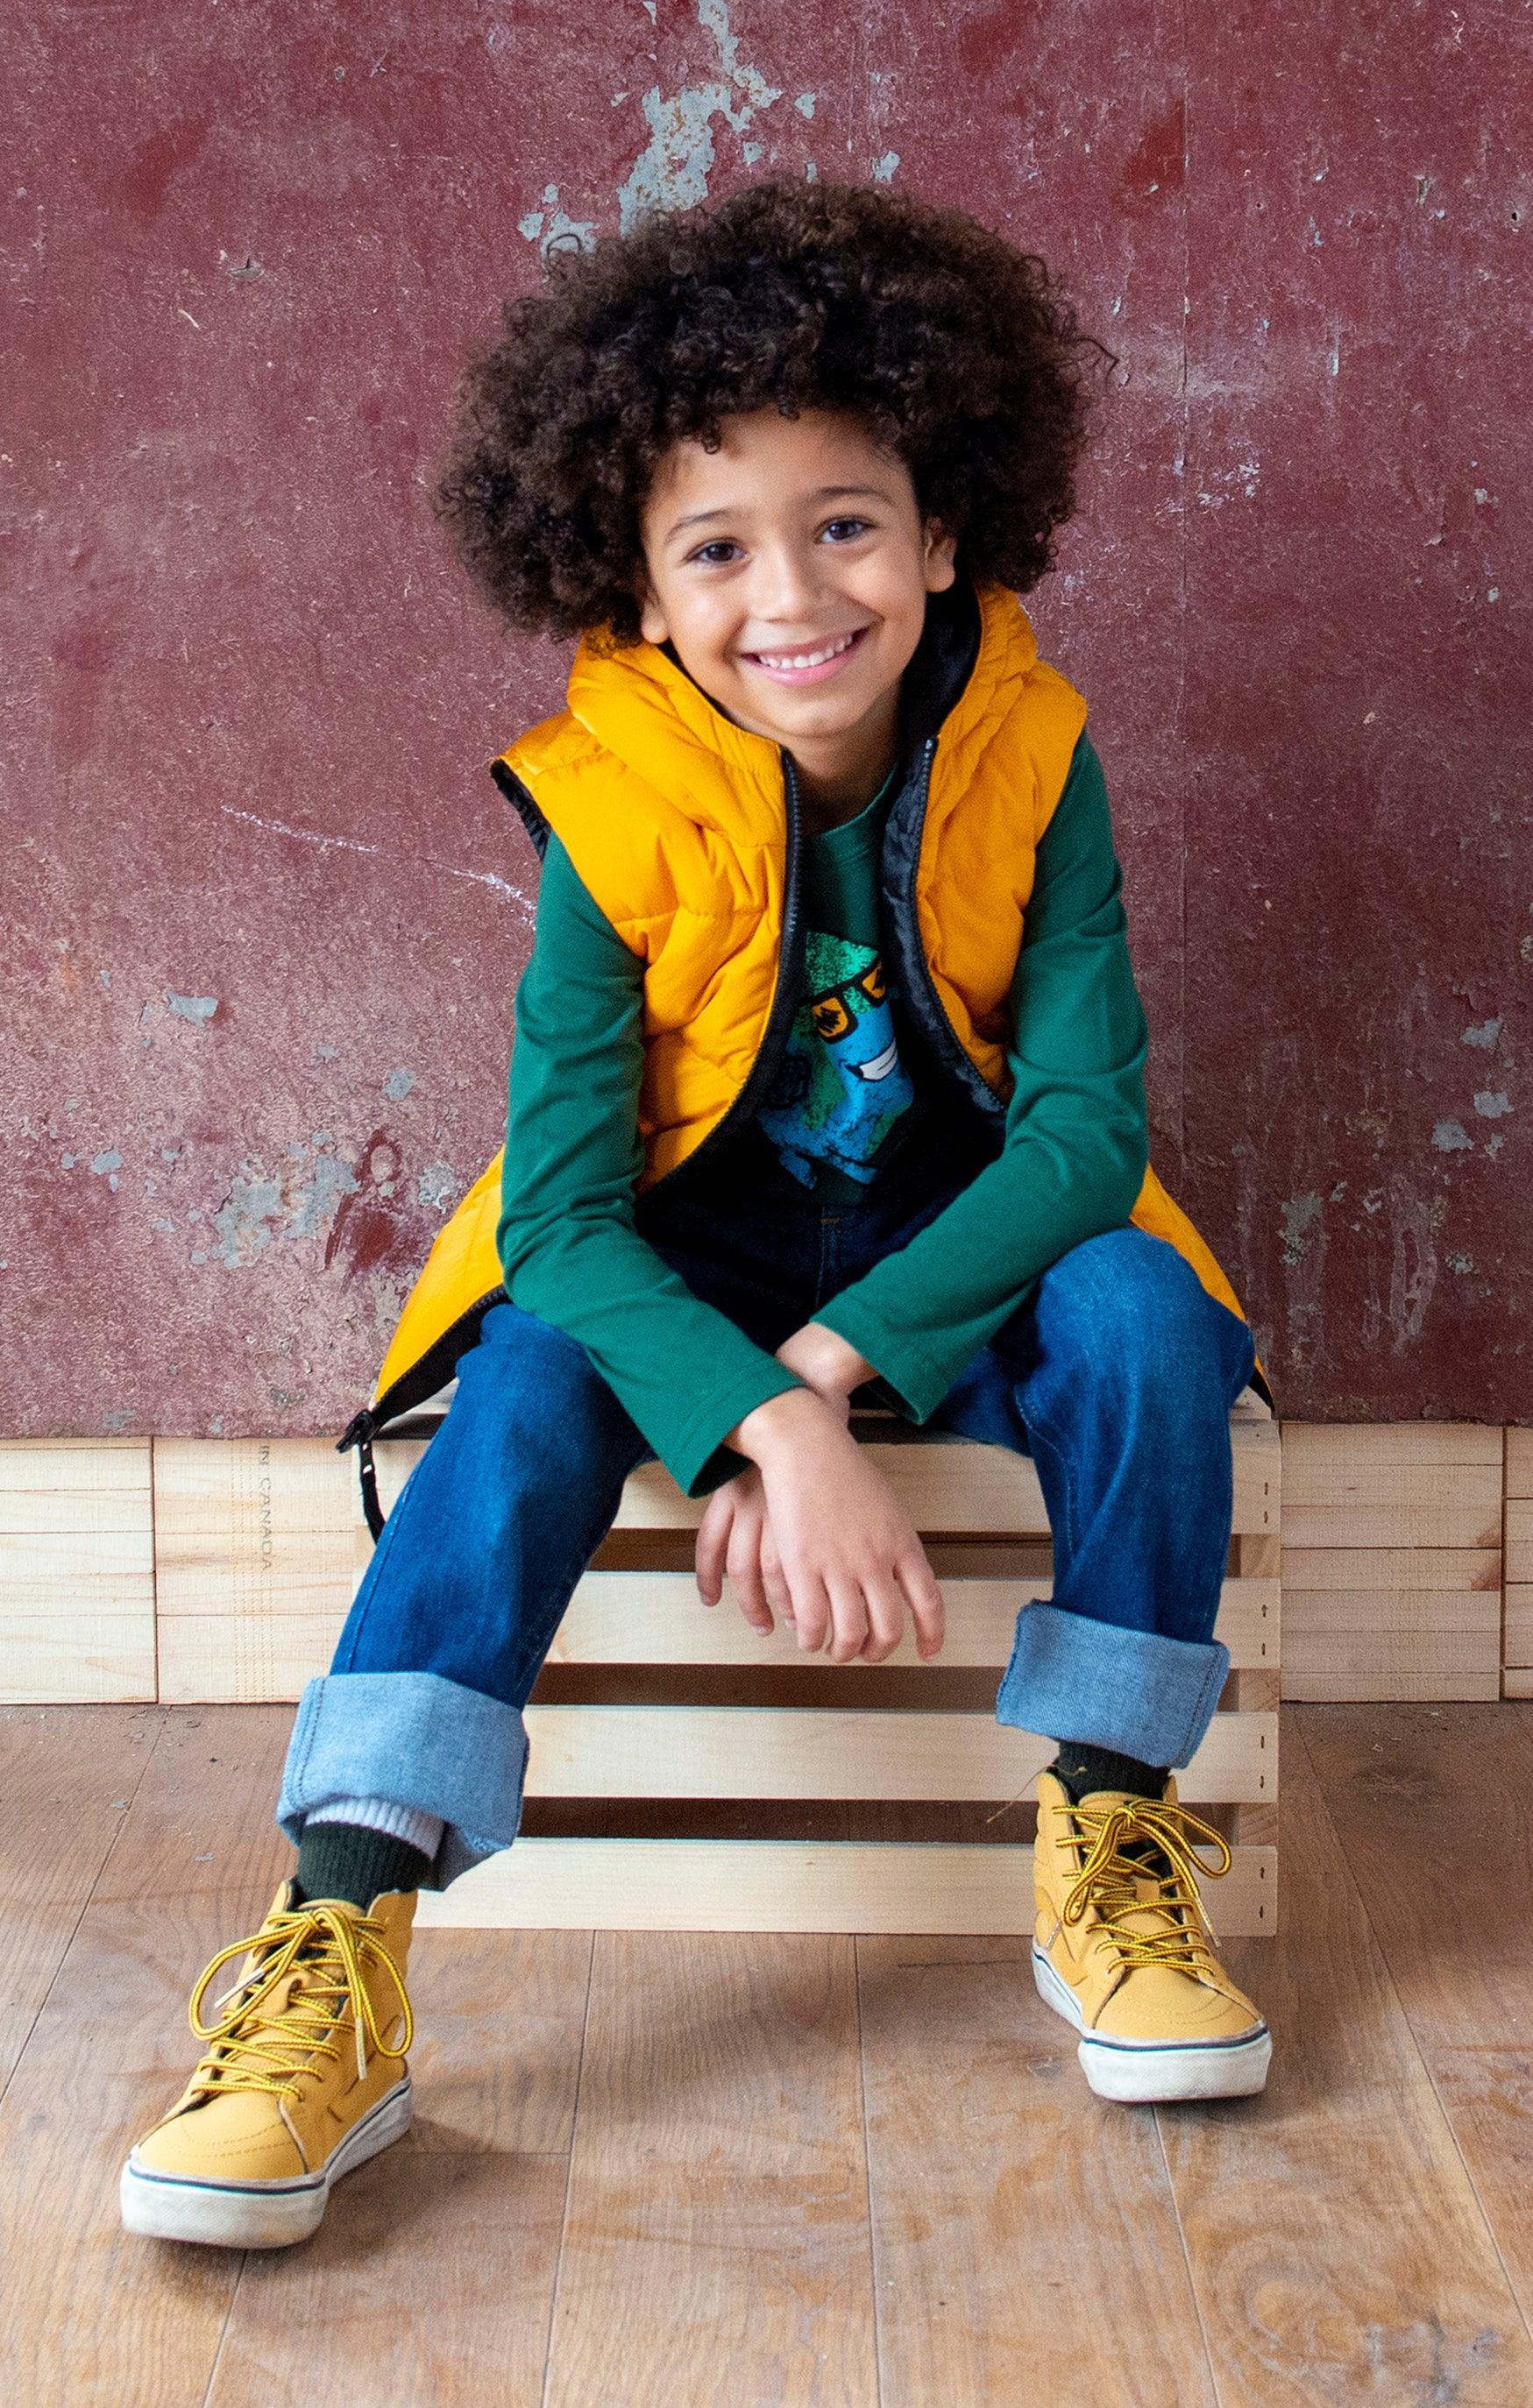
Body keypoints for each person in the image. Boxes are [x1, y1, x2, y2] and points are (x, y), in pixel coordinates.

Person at [122, 176, 1276, 2249]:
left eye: (844, 525)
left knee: (1141, 1313)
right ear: (638, 591)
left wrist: (832, 1371)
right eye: (715, 548)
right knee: (530, 1374)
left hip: (963, 1263)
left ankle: (1110, 1832)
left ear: (943, 534)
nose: (790, 595)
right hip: (681, 1268)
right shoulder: (604, 803)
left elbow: (1080, 1142)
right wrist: (751, 1413)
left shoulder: (1036, 753)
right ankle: (337, 1945)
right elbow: (563, 1221)